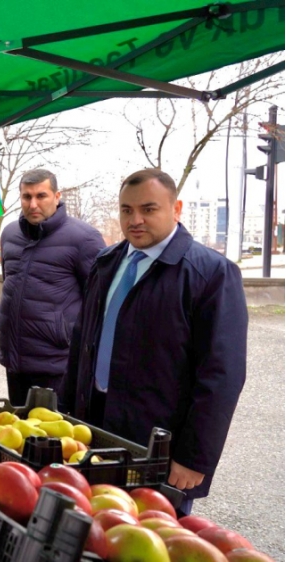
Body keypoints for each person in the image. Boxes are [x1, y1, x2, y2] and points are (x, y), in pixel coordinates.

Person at [61, 168, 247, 514]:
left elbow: (222, 375)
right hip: (94, 430)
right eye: (127, 210)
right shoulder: (106, 263)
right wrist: (66, 416)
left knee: (152, 534)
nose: (135, 220)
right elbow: (81, 344)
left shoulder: (211, 274)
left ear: (176, 209)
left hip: (158, 448)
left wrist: (194, 457)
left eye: (148, 209)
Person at [0, 169, 105, 406]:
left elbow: (99, 302)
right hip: (15, 361)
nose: (33, 204)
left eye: (41, 196)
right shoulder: (9, 234)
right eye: (27, 197)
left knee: (52, 429)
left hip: (57, 366)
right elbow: (10, 283)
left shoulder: (84, 239)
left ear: (57, 196)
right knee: (16, 426)